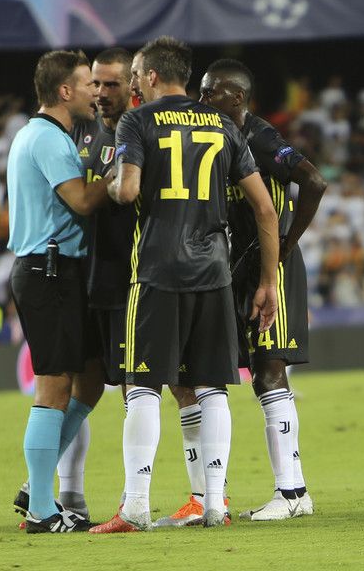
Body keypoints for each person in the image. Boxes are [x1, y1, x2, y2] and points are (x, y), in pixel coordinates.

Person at [88, 36, 280, 532]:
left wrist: (112, 180)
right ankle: (214, 503)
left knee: (143, 386)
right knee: (212, 386)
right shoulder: (222, 124)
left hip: (158, 270)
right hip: (214, 272)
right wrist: (269, 282)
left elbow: (127, 189)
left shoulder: (137, 121)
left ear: (151, 76)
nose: (133, 81)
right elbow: (264, 208)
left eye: (136, 74)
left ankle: (135, 505)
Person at [199, 58, 327, 521]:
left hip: (271, 270)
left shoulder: (260, 137)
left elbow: (314, 180)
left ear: (236, 97)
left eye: (210, 91)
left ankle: (290, 493)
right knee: (257, 373)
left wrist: (286, 246)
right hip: (239, 268)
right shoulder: (218, 138)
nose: (202, 99)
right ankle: (293, 492)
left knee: (270, 372)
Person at [7, 49, 114, 533]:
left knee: (90, 378)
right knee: (53, 386)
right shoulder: (49, 139)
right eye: (88, 83)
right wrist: (120, 168)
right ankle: (42, 511)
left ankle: (36, 483)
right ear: (65, 91)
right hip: (46, 272)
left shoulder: (40, 134)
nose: (96, 92)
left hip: (59, 272)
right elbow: (83, 200)